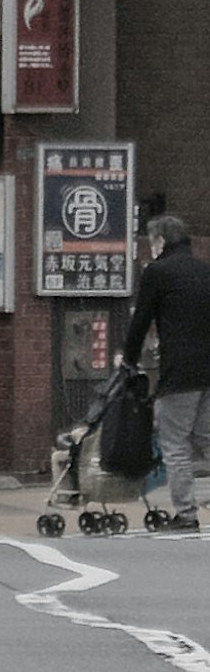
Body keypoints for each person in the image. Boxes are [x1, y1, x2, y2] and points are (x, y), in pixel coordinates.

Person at [123, 211, 210, 527]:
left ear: (160, 240)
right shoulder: (204, 270)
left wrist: (128, 359)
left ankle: (186, 514)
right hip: (208, 373)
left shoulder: (157, 272)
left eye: (152, 242)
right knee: (206, 439)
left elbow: (140, 320)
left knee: (175, 444)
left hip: (181, 374)